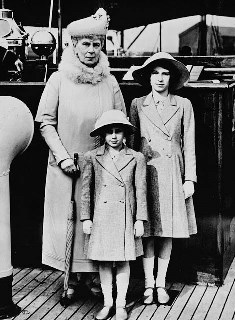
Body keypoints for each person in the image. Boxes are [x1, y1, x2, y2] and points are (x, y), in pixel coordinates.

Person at [35, 8, 126, 303]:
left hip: (101, 166)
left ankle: (93, 277)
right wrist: (62, 157)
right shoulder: (59, 80)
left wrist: (110, 157)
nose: (90, 50)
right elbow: (45, 122)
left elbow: (121, 121)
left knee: (97, 223)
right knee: (68, 222)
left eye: (96, 44)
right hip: (65, 167)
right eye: (84, 44)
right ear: (73, 46)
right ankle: (69, 279)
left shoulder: (110, 82)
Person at [128, 52, 197, 305]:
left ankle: (161, 284)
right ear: (148, 77)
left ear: (172, 77)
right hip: (145, 173)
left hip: (171, 173)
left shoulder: (183, 105)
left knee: (166, 230)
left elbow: (189, 144)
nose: (160, 78)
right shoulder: (137, 104)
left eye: (165, 73)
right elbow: (132, 146)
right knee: (147, 230)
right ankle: (148, 285)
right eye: (155, 73)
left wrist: (189, 178)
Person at [81, 110, 148, 320]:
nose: (113, 136)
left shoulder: (137, 158)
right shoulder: (92, 157)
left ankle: (120, 305)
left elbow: (141, 191)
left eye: (118, 131)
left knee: (122, 261)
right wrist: (86, 218)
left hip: (125, 216)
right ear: (102, 134)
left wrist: (139, 219)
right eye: (109, 132)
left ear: (125, 133)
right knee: (103, 262)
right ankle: (107, 303)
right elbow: (86, 190)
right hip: (101, 217)